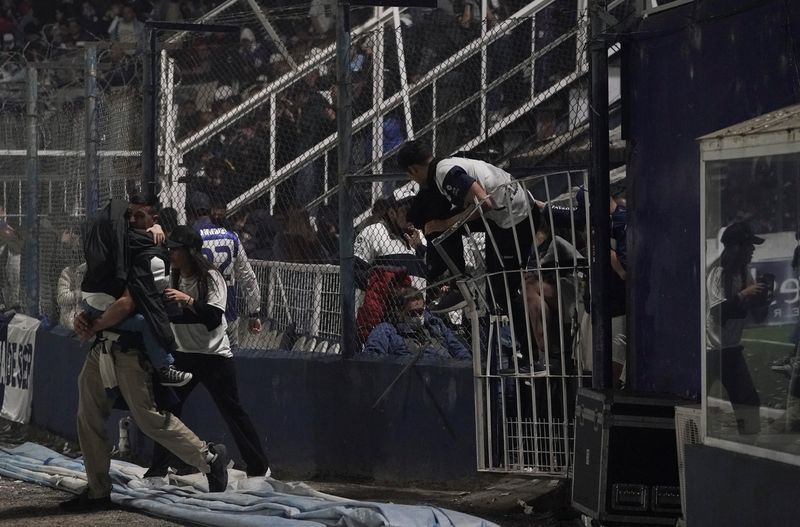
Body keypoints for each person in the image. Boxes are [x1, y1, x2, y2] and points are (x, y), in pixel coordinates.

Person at [61, 207, 229, 513]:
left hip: (129, 350)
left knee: (149, 418)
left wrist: (96, 324)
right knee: (88, 416)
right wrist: (83, 319)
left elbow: (127, 303)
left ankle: (209, 458)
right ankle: (98, 490)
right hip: (101, 347)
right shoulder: (108, 258)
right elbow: (98, 300)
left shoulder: (144, 256)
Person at [145, 226, 270, 479]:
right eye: (171, 250)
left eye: (177, 250)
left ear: (191, 252)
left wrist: (186, 300)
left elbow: (213, 318)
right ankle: (158, 470)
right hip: (184, 354)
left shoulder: (211, 277)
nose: (173, 255)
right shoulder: (173, 275)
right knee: (168, 410)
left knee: (232, 410)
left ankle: (259, 467)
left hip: (213, 356)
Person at [397, 140, 535, 357]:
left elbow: (483, 202)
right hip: (503, 215)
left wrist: (443, 224)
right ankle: (456, 281)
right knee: (495, 291)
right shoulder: (444, 167)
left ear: (413, 169)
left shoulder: (444, 173)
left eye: (410, 175)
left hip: (513, 217)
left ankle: (530, 352)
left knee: (503, 290)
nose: (413, 180)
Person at [78, 196, 192, 387]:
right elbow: (125, 304)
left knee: (147, 413)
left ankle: (163, 368)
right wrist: (91, 324)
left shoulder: (147, 252)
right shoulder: (123, 240)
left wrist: (92, 325)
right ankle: (164, 367)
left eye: (138, 216)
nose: (131, 221)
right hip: (112, 348)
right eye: (129, 215)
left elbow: (129, 303)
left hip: (127, 352)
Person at [706, 221, 772, 435]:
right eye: (749, 246)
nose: (752, 250)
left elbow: (757, 317)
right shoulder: (717, 273)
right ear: (736, 248)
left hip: (730, 349)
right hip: (709, 352)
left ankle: (748, 446)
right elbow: (719, 312)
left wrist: (763, 300)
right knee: (693, 402)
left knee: (749, 403)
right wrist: (746, 294)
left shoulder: (744, 274)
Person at [185, 191, 262, 350]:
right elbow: (248, 277)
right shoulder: (231, 236)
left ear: (189, 212)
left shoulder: (189, 237)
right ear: (210, 211)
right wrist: (254, 312)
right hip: (228, 310)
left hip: (198, 310)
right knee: (230, 359)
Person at [365, 287, 470, 360]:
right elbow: (372, 357)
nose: (418, 316)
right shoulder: (387, 331)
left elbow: (458, 348)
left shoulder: (435, 324)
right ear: (400, 312)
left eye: (420, 312)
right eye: (412, 313)